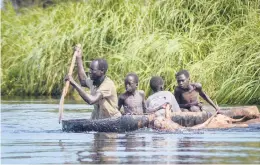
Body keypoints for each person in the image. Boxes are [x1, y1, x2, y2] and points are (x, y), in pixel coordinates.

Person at [65, 46, 121, 120]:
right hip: (98, 120)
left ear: (102, 71)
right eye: (89, 69)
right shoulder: (94, 81)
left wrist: (74, 83)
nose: (90, 72)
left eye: (93, 70)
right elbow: (83, 80)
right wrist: (79, 58)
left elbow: (91, 100)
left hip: (112, 120)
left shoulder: (107, 84)